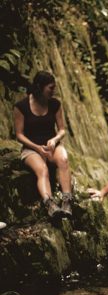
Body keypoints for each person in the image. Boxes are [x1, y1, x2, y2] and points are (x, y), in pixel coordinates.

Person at [14, 71, 73, 218]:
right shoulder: (21, 106)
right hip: (31, 149)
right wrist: (36, 148)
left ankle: (67, 203)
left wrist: (54, 140)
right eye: (51, 88)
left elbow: (62, 130)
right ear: (40, 87)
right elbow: (19, 135)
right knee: (42, 169)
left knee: (63, 160)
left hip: (51, 146)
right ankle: (50, 204)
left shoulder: (55, 104)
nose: (54, 91)